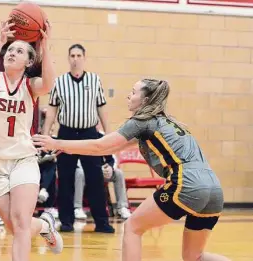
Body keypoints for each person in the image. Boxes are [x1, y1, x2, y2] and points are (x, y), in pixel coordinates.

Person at [33, 78, 230, 261]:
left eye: (133, 92)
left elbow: (100, 146)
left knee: (133, 227)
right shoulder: (168, 123)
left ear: (144, 100)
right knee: (194, 257)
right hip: (214, 189)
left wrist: (56, 142)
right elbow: (109, 147)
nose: (129, 95)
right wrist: (62, 147)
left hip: (187, 184)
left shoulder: (142, 121)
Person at [0, 20, 63, 261]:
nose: (12, 53)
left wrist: (46, 46)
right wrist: (0, 41)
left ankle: (39, 226)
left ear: (29, 61)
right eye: (11, 50)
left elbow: (48, 84)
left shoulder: (30, 86)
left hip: (22, 160)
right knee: (15, 227)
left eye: (20, 51)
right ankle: (45, 226)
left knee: (21, 224)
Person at [42, 43, 114, 233]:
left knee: (95, 179)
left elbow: (101, 109)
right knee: (65, 179)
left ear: (84, 58)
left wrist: (108, 135)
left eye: (78, 55)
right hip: (66, 134)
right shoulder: (59, 82)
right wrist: (44, 136)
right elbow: (51, 111)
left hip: (90, 134)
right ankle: (66, 222)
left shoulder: (95, 80)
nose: (75, 59)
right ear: (68, 58)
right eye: (72, 56)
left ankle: (102, 222)